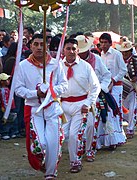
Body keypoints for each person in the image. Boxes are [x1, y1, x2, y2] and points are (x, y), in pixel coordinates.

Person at [14, 34, 68, 179]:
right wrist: (36, 93)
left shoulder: (56, 63)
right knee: (41, 144)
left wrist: (50, 91)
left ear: (47, 46)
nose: (39, 47)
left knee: (54, 142)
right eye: (36, 44)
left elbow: (64, 85)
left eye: (42, 44)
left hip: (52, 107)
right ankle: (42, 163)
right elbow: (18, 89)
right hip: (34, 109)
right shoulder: (23, 65)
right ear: (30, 46)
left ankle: (51, 173)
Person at [61, 38, 101, 173]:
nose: (71, 51)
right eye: (68, 48)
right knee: (60, 134)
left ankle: (75, 161)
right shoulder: (57, 66)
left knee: (75, 134)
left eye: (74, 49)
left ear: (78, 50)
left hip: (81, 105)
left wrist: (88, 103)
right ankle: (50, 162)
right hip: (63, 105)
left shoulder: (85, 66)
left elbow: (96, 87)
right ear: (63, 50)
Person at [75, 35, 112, 161]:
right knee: (74, 128)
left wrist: (101, 88)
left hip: (92, 97)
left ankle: (90, 149)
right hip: (74, 98)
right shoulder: (70, 60)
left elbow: (107, 75)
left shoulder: (96, 59)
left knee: (91, 125)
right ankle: (77, 149)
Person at [99, 33, 127, 150]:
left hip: (116, 86)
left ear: (110, 43)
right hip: (104, 87)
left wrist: (113, 80)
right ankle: (108, 138)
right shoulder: (100, 55)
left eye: (106, 42)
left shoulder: (116, 54)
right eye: (102, 42)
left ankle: (118, 136)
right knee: (106, 111)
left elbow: (123, 70)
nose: (104, 45)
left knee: (116, 110)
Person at [117, 41, 137, 139]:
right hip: (121, 89)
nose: (125, 54)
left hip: (134, 89)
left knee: (133, 109)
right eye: (123, 52)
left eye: (127, 51)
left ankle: (130, 129)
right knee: (122, 109)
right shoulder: (118, 60)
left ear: (131, 51)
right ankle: (133, 120)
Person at [0, 73, 18, 140]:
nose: (8, 81)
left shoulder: (7, 89)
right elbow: (4, 99)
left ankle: (12, 132)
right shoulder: (3, 90)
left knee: (12, 120)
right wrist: (7, 107)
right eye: (6, 80)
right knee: (5, 121)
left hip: (11, 107)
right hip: (6, 108)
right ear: (2, 82)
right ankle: (5, 133)